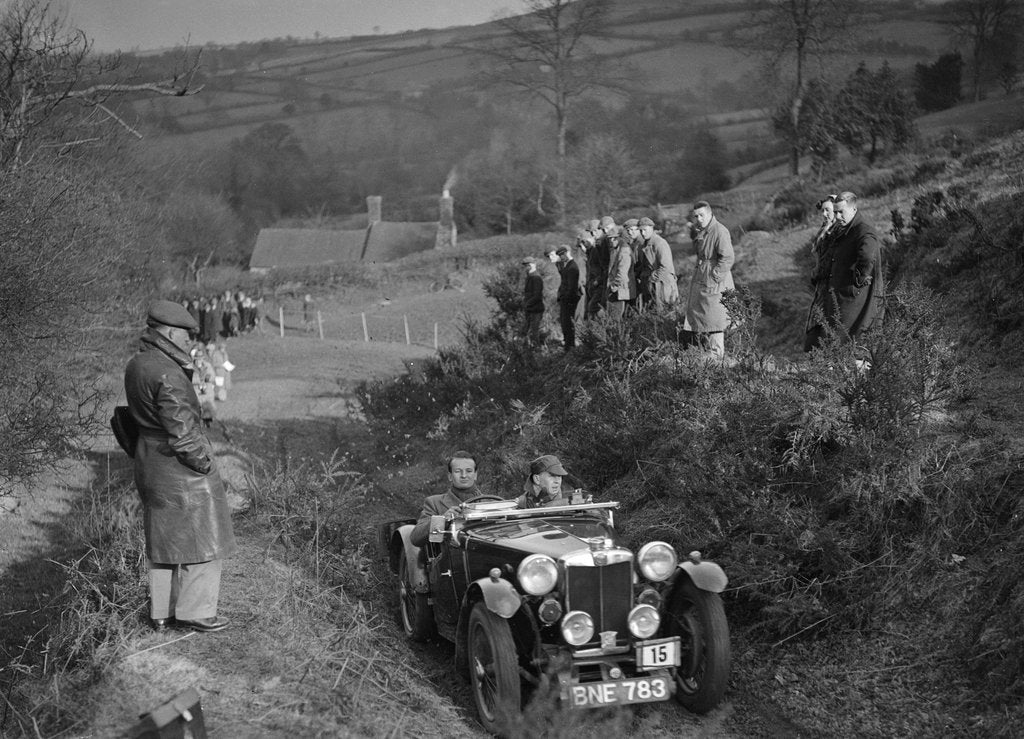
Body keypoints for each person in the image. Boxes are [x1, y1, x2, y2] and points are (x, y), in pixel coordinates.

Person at [124, 300, 236, 633]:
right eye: (186, 336)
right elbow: (184, 435)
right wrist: (205, 465)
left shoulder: (138, 363)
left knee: (163, 542)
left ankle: (161, 613)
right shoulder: (169, 373)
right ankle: (196, 612)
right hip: (177, 467)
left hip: (149, 460)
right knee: (204, 538)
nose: (190, 342)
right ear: (170, 333)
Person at [813, 191, 885, 350]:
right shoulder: (845, 229)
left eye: (841, 212)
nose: (837, 216)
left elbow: (867, 256)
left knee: (856, 349)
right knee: (837, 348)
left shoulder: (864, 230)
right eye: (836, 212)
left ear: (854, 209)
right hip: (843, 300)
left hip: (857, 302)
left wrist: (858, 280)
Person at [684, 201, 735, 358]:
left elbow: (728, 257)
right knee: (706, 315)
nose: (698, 219)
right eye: (696, 216)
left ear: (710, 214)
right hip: (704, 276)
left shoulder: (719, 231)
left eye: (701, 215)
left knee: (715, 316)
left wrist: (715, 277)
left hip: (715, 280)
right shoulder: (705, 231)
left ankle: (717, 354)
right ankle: (711, 354)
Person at [410, 451, 483, 547]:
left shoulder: (491, 503)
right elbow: (415, 538)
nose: (464, 475)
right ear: (450, 476)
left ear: (475, 475)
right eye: (458, 471)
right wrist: (443, 520)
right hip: (451, 558)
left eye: (469, 471)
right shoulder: (434, 503)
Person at [803, 195, 840, 352]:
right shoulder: (825, 231)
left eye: (828, 210)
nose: (824, 214)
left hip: (831, 287)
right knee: (819, 323)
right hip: (822, 286)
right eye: (823, 210)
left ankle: (827, 365)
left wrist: (816, 273)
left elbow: (828, 261)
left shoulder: (835, 232)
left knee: (826, 323)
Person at [636, 216, 678, 310]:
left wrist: (651, 278)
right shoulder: (643, 245)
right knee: (652, 313)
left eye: (645, 230)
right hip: (651, 285)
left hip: (662, 284)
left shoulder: (660, 243)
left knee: (663, 313)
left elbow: (665, 267)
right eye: (641, 231)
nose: (643, 233)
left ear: (651, 228)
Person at [585, 216, 615, 318]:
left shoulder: (604, 243)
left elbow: (606, 266)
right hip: (599, 282)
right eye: (591, 232)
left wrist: (598, 280)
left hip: (604, 282)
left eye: (595, 231)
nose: (593, 234)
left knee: (596, 309)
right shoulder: (598, 245)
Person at [606, 223, 636, 321]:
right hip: (618, 290)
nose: (611, 241)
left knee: (616, 320)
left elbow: (622, 273)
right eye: (610, 238)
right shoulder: (616, 249)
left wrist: (612, 287)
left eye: (614, 238)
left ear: (620, 237)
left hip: (621, 291)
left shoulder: (624, 250)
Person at [556, 245, 581, 351]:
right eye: (560, 255)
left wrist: (565, 298)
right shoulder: (569, 266)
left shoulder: (572, 267)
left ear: (567, 253)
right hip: (566, 299)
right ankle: (568, 344)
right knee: (565, 322)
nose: (561, 258)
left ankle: (569, 346)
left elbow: (572, 287)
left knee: (568, 323)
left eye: (562, 255)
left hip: (569, 300)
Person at [190, 344, 217, 428]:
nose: (199, 360)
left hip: (207, 389)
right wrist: (198, 381)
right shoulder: (191, 367)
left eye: (200, 358)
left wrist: (208, 378)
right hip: (196, 390)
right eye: (197, 359)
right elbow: (189, 379)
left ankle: (208, 422)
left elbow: (213, 376)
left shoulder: (207, 366)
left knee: (208, 405)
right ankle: (197, 423)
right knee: (197, 406)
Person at [521, 257, 545, 346]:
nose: (525, 268)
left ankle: (538, 352)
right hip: (530, 308)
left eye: (526, 266)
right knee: (527, 331)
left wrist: (527, 304)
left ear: (531, 265)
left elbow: (537, 296)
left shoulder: (536, 277)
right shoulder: (530, 276)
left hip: (536, 309)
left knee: (534, 332)